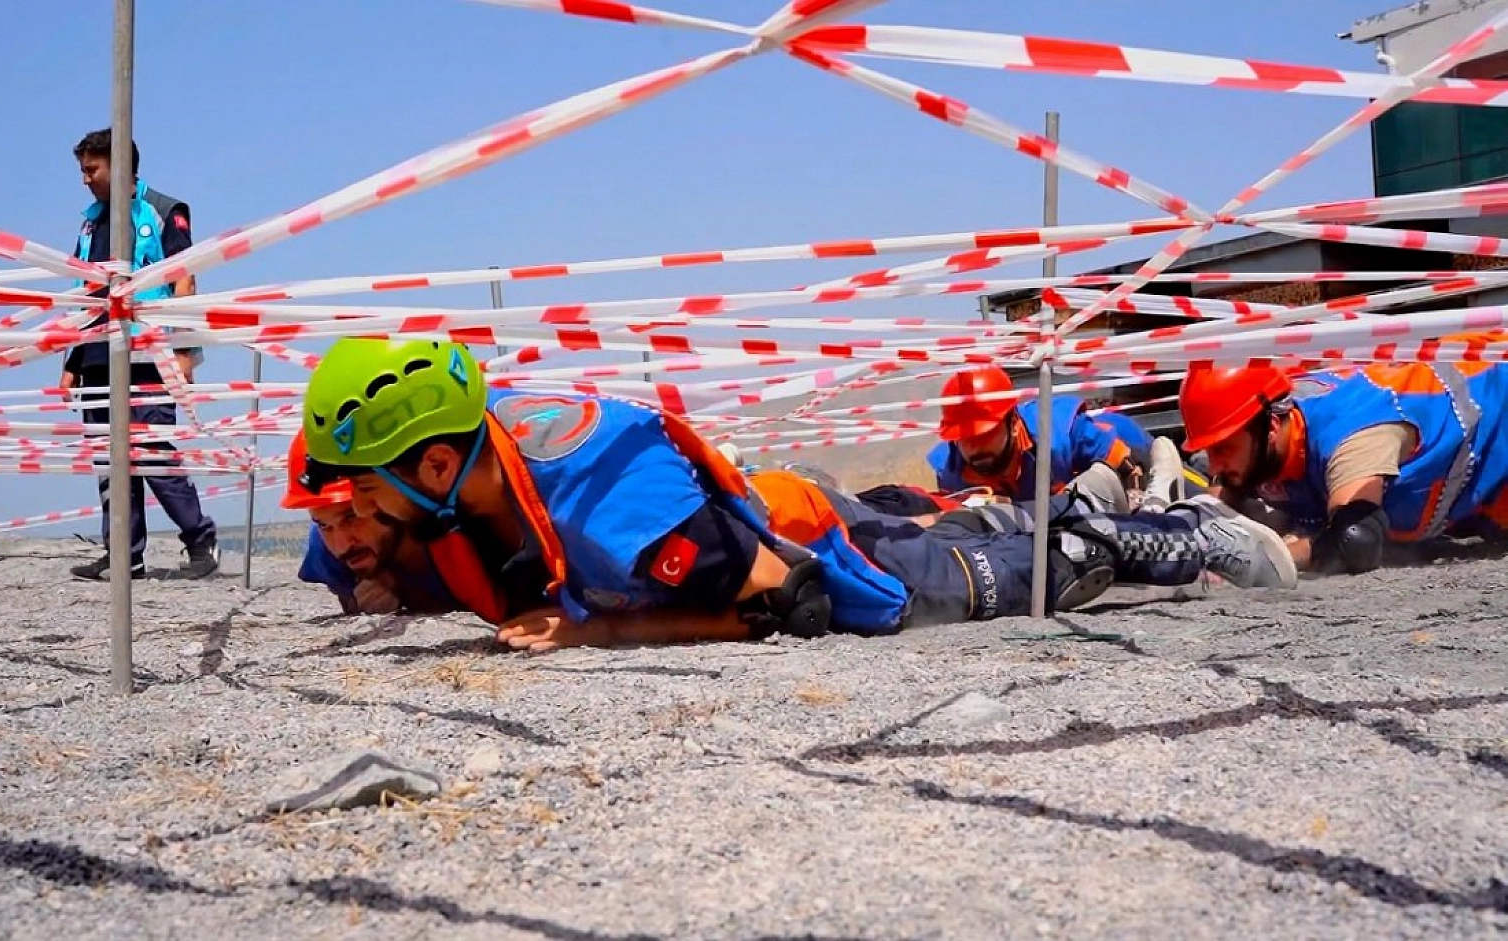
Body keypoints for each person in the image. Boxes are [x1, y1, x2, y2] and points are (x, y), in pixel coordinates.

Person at [294, 338, 1295, 652]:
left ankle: (1180, 527)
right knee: (973, 514)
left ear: (432, 467)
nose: (357, 512)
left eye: (364, 492)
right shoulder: (483, 433)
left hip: (834, 565)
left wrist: (596, 634)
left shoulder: (610, 515)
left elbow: (789, 604)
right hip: (779, 509)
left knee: (1058, 557)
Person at [60, 129, 217, 580]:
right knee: (110, 459)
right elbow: (86, 295)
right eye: (82, 170)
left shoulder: (165, 212)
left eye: (92, 169)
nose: (85, 179)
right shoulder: (90, 223)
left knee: (150, 451)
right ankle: (124, 555)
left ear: (120, 167)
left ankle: (200, 540)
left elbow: (184, 283)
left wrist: (185, 352)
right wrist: (72, 362)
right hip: (96, 357)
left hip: (148, 352)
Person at [1179, 359, 1508, 576]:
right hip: (1472, 484)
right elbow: (1220, 498)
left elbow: (1355, 542)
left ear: (1272, 429)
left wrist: (1259, 557)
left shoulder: (1352, 440)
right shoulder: (1265, 425)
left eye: (1222, 448)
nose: (1216, 465)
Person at [283, 430, 452, 616]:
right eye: (324, 525)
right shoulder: (324, 549)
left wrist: (409, 589)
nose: (342, 545)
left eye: (351, 516)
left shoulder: (453, 527)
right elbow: (349, 598)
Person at [926, 366, 1155, 502]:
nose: (975, 447)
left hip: (1128, 441)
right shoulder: (950, 472)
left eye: (985, 434)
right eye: (966, 439)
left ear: (1013, 424)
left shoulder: (1062, 432)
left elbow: (1132, 471)